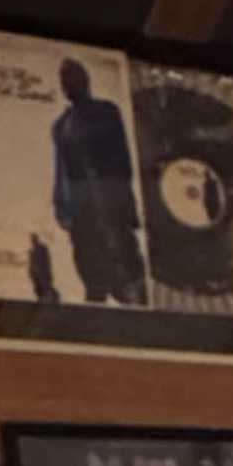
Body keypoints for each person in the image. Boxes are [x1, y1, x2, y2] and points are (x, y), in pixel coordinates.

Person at [49, 54, 146, 309]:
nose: (67, 86)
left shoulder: (106, 112)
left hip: (110, 201)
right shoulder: (61, 125)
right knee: (88, 262)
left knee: (124, 259)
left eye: (72, 79)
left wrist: (128, 204)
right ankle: (97, 302)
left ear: (85, 81)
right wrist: (60, 204)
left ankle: (134, 301)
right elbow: (60, 168)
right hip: (81, 207)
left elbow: (122, 161)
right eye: (64, 81)